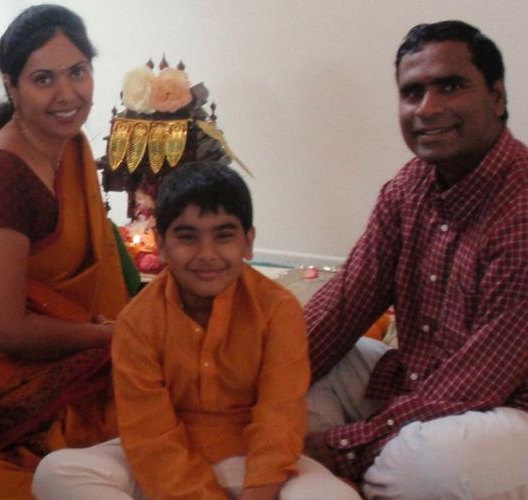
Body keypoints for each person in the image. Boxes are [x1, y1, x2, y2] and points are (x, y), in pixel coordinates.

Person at [32, 162, 360, 500]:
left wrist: (259, 492)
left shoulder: (278, 309)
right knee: (58, 472)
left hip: (256, 465)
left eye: (224, 236)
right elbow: (150, 435)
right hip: (164, 469)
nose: (207, 255)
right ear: (160, 244)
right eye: (187, 237)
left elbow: (280, 419)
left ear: (248, 243)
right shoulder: (137, 322)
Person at [304, 20, 528, 499]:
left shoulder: (523, 205)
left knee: (431, 465)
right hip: (420, 388)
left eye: (450, 86)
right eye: (412, 93)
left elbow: (477, 382)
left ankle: (335, 475)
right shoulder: (408, 189)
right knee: (294, 373)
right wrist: (236, 382)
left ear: (497, 97)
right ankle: (340, 476)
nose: (428, 108)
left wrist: (347, 444)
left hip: (506, 413)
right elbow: (341, 307)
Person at [0, 5, 134, 499]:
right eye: (44, 79)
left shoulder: (69, 146)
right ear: (12, 87)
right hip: (9, 377)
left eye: (77, 72)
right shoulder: (2, 178)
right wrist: (109, 339)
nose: (67, 95)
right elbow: (4, 329)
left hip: (79, 341)